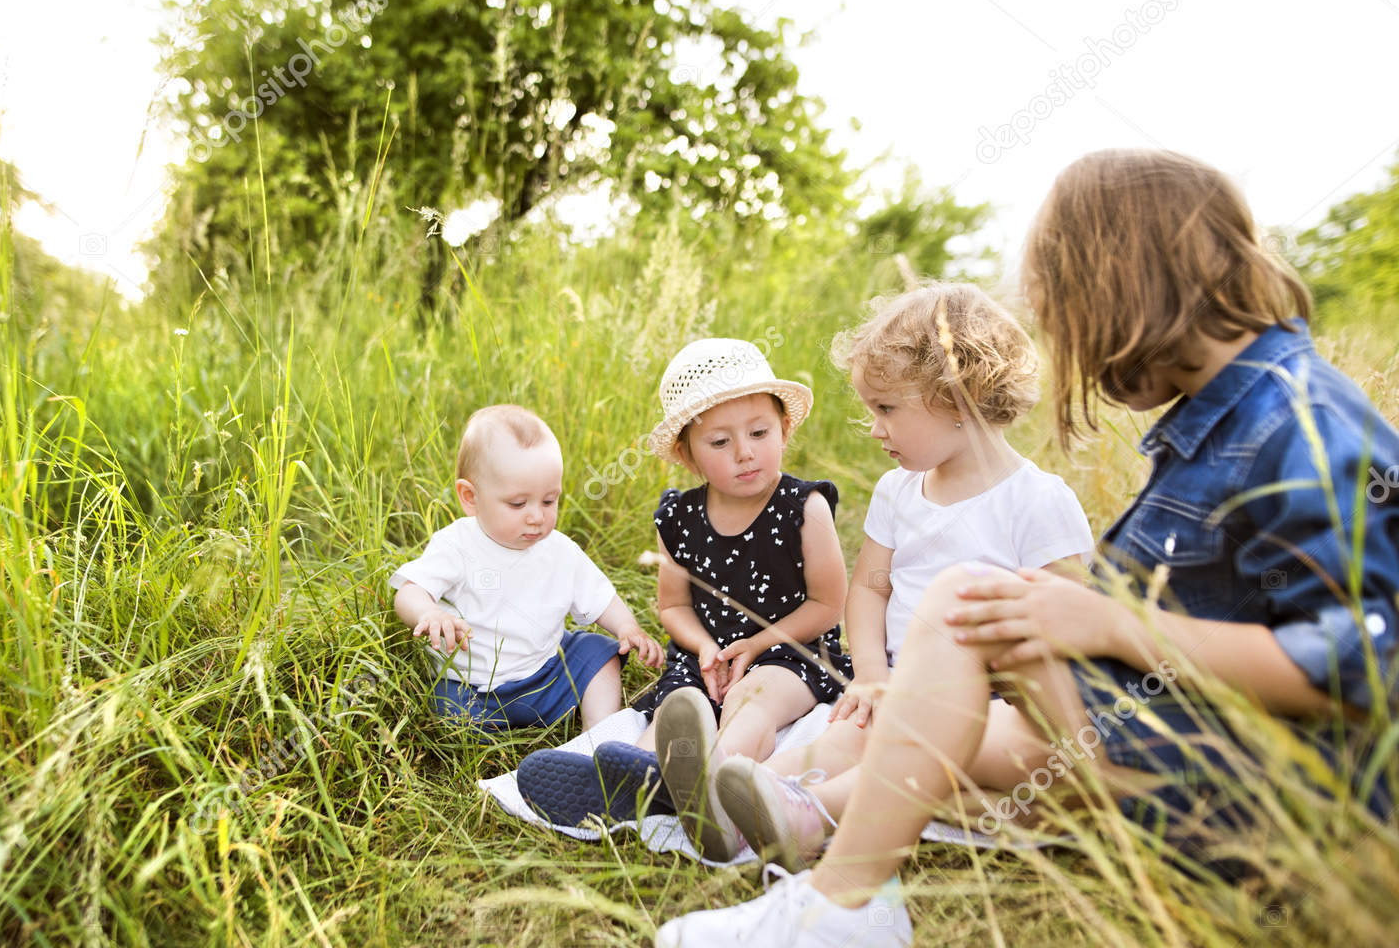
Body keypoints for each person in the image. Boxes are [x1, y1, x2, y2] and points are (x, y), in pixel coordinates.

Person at [654, 148, 1399, 948]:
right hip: (1175, 741)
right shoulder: (1225, 417)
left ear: (1128, 287)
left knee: (967, 598)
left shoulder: (1295, 420)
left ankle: (846, 902)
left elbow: (1368, 656)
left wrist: (1119, 624)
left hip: (1255, 797)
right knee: (945, 733)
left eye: (1069, 314)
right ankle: (792, 809)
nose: (1068, 345)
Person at [714, 282, 1096, 873]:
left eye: (886, 409)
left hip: (987, 701)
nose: (873, 427)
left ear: (958, 399)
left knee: (888, 754)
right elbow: (869, 591)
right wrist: (870, 674)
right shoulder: (898, 492)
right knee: (841, 740)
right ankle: (730, 798)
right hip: (893, 684)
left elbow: (1067, 634)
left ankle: (791, 813)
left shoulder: (1036, 502)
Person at [516, 338, 852, 860]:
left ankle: (715, 788)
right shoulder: (679, 519)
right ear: (686, 454)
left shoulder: (803, 507)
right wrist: (702, 648)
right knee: (675, 712)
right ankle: (634, 783)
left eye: (760, 433)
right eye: (720, 442)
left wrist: (755, 645)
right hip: (708, 656)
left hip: (788, 651)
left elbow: (828, 605)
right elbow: (673, 607)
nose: (744, 451)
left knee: (754, 701)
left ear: (784, 429)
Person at [391, 404, 663, 734]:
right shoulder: (456, 545)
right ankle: (487, 738)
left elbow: (599, 596)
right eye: (518, 504)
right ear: (470, 497)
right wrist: (428, 614)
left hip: (548, 673)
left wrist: (627, 627)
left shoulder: (560, 550)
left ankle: (600, 736)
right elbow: (410, 591)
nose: (537, 516)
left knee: (597, 655)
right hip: (476, 690)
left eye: (549, 501)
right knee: (447, 709)